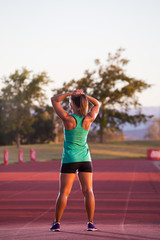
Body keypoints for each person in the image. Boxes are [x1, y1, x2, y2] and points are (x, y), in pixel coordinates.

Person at [50, 89, 100, 232]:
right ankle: (91, 223)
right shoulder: (89, 118)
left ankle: (56, 223)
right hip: (85, 159)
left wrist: (70, 93)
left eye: (70, 102)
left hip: (69, 159)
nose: (69, 104)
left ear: (73, 104)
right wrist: (84, 96)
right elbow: (97, 104)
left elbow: (54, 99)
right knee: (88, 191)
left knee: (64, 192)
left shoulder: (68, 118)